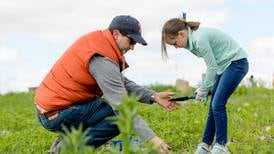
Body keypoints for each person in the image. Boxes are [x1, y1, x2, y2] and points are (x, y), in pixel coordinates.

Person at [35, 15, 177, 154]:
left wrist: (154, 96)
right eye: (131, 41)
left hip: (54, 110)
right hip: (56, 113)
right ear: (116, 34)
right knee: (118, 118)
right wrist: (152, 139)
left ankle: (62, 147)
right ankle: (65, 150)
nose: (133, 47)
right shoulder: (101, 58)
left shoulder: (99, 43)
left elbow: (120, 83)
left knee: (103, 108)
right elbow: (121, 106)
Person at [161, 13, 249, 154]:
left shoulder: (199, 39)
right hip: (223, 67)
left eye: (174, 43)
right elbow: (212, 64)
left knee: (218, 104)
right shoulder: (192, 41)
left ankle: (221, 145)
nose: (176, 47)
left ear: (181, 34)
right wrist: (203, 86)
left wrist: (204, 89)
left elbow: (212, 67)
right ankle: (206, 145)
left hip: (236, 63)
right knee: (213, 106)